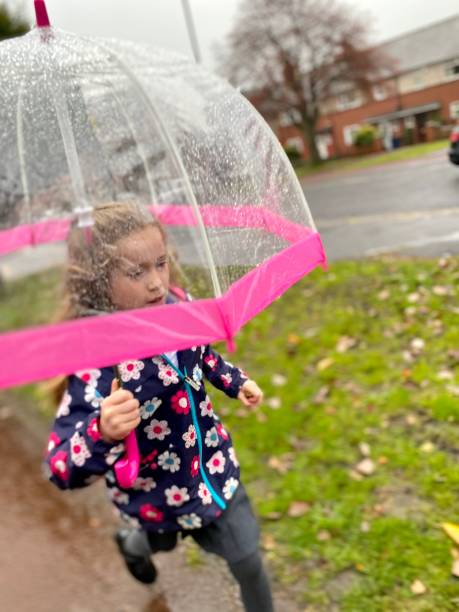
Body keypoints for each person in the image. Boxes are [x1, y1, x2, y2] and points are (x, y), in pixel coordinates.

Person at [45, 201, 274, 612]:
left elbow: (203, 357)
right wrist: (103, 430)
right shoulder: (96, 362)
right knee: (159, 539)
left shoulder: (179, 310)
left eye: (160, 264)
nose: (156, 283)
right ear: (100, 281)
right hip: (155, 494)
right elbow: (61, 467)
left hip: (211, 472)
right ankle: (134, 544)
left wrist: (235, 382)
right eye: (136, 272)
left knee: (247, 559)